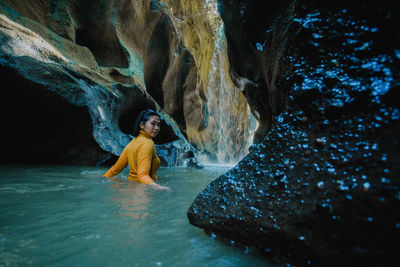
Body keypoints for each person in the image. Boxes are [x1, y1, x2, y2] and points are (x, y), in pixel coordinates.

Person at [104, 109, 170, 191]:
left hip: (131, 188)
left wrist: (100, 179)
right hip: (143, 190)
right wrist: (159, 187)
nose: (156, 128)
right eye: (153, 124)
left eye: (158, 125)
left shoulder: (132, 143)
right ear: (142, 125)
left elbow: (114, 170)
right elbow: (142, 175)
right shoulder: (148, 143)